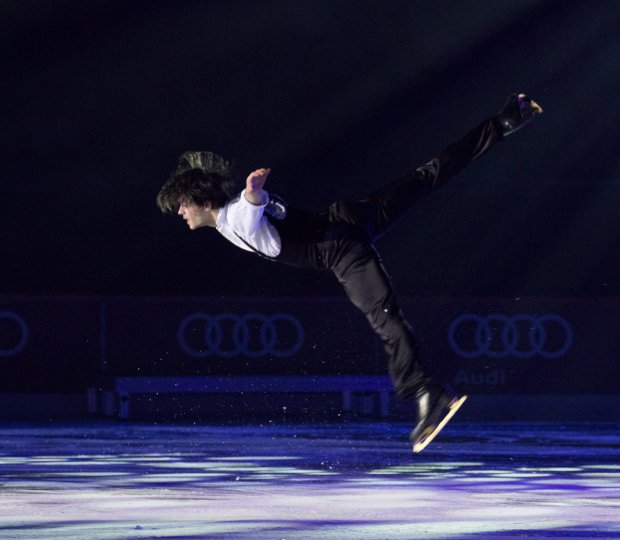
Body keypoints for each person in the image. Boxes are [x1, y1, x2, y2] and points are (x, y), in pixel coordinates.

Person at [157, 92, 543, 452]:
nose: (179, 213)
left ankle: (426, 392)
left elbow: (250, 204)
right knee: (427, 176)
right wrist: (255, 195)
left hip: (341, 249)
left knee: (384, 316)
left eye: (181, 205)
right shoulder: (227, 221)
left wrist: (254, 191)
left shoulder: (235, 217)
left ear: (199, 200)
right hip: (347, 218)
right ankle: (506, 121)